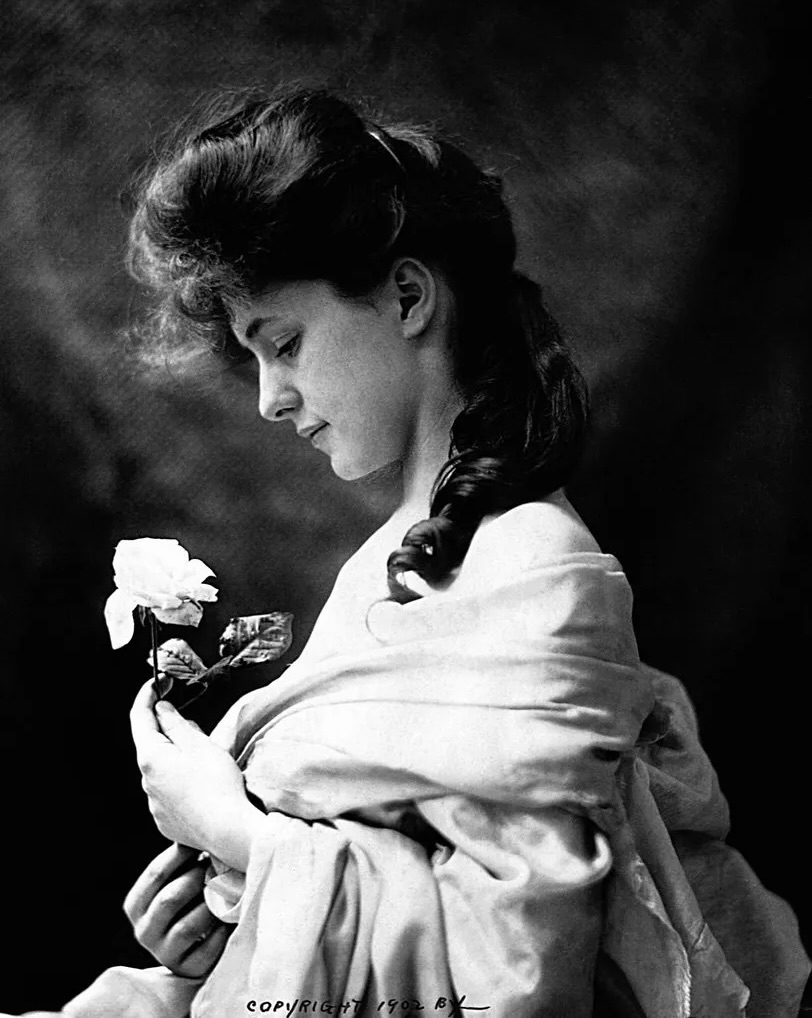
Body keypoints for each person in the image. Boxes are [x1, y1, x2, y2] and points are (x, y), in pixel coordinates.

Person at [11, 86, 808, 1018]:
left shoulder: (540, 567)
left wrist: (236, 832)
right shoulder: (390, 559)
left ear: (407, 296)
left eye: (285, 343)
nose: (268, 397)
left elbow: (516, 971)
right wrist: (226, 924)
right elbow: (391, 871)